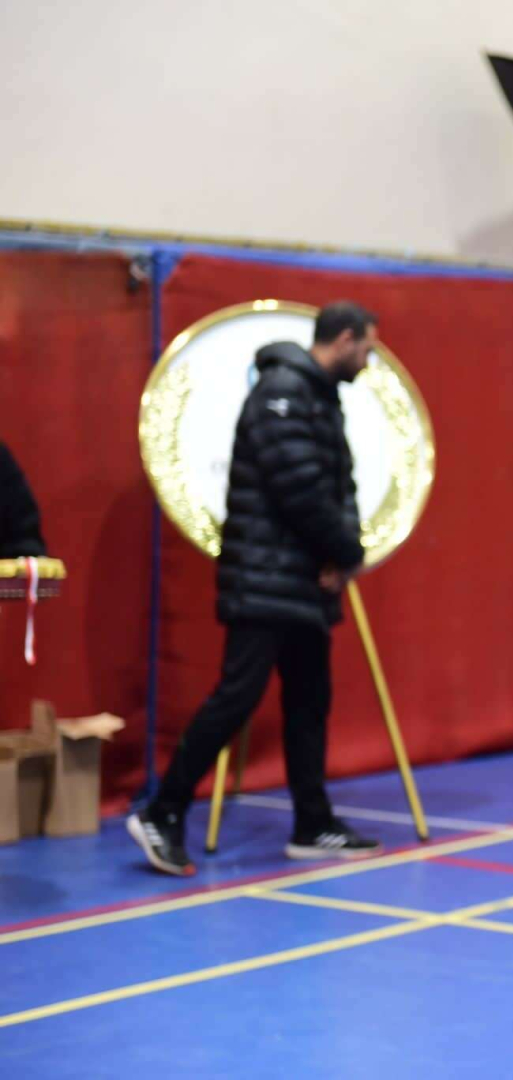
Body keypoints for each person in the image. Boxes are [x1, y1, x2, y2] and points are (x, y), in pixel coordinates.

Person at [128, 301, 382, 875]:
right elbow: (299, 488)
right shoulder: (282, 392)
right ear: (344, 339)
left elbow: (339, 486)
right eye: (367, 349)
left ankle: (312, 824)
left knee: (309, 699)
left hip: (301, 582)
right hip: (265, 580)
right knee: (237, 697)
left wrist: (338, 556)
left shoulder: (319, 396)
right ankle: (162, 812)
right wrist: (345, 553)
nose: (368, 362)